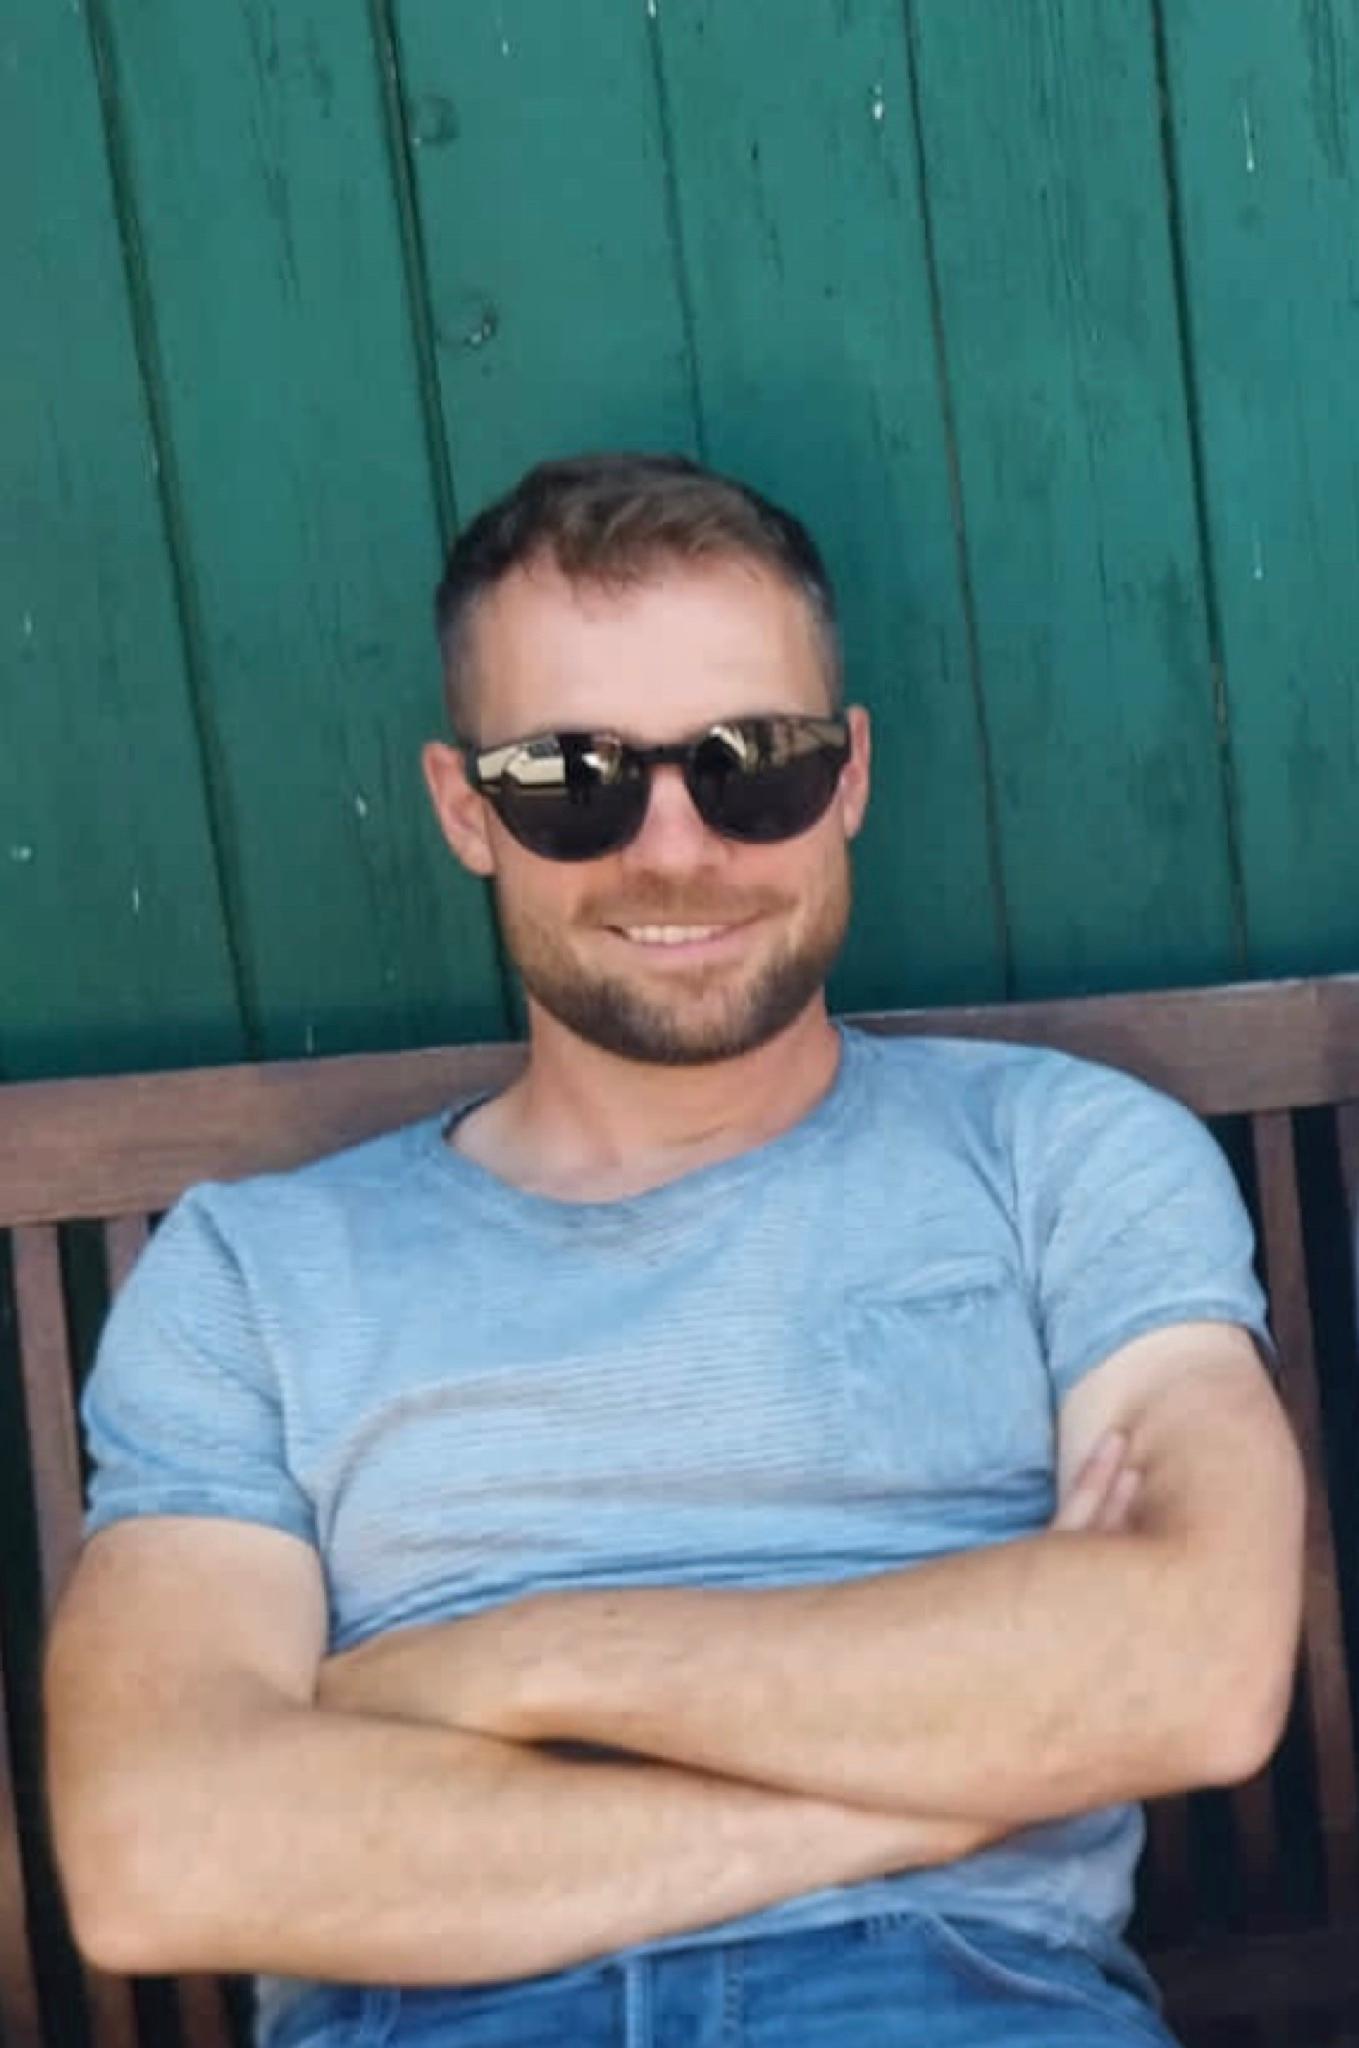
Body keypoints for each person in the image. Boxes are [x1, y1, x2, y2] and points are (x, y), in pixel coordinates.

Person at [45, 453, 1303, 2048]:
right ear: (465, 808)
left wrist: (514, 1668)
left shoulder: (1061, 1158)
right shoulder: (253, 1276)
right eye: (571, 777)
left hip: (951, 2004)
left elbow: (1192, 1672)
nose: (675, 849)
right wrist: (932, 1791)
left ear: (849, 777)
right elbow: (166, 1850)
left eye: (750, 765)